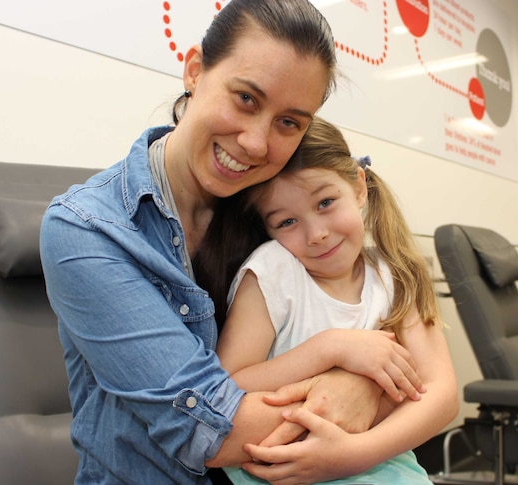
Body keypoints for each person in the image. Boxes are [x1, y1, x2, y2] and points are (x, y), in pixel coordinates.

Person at [40, 1, 427, 484]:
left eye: (289, 122)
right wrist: (359, 386)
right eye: (246, 98)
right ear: (195, 70)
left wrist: (370, 381)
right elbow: (211, 429)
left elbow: (433, 378)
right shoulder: (87, 230)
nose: (256, 144)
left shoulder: (277, 215)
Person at [215, 118, 459, 484]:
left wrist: (352, 456)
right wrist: (329, 348)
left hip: (383, 465)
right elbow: (227, 386)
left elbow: (441, 393)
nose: (317, 234)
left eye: (326, 202)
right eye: (286, 222)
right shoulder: (272, 271)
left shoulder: (395, 274)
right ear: (266, 228)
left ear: (359, 187)